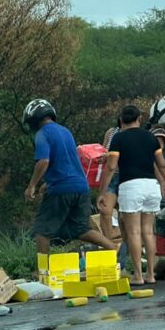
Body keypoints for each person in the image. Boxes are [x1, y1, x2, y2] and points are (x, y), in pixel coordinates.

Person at [22, 99, 116, 255]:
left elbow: (44, 161)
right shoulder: (65, 131)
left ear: (33, 118)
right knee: (81, 229)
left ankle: (44, 271)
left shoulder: (42, 134)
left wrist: (32, 185)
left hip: (61, 189)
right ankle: (113, 247)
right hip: (81, 187)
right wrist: (47, 183)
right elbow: (68, 161)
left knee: (42, 232)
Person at [102, 105, 165, 285]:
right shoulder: (150, 137)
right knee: (148, 232)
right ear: (139, 119)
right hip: (151, 186)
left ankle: (138, 275)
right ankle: (150, 274)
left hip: (130, 186)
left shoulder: (118, 138)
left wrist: (102, 191)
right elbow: (162, 165)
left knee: (134, 232)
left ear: (121, 120)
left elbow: (111, 166)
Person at [97, 118, 122, 240]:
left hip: (126, 175)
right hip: (110, 175)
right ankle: (108, 245)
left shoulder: (133, 134)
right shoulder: (111, 132)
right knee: (105, 211)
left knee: (125, 213)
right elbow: (103, 149)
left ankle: (128, 246)